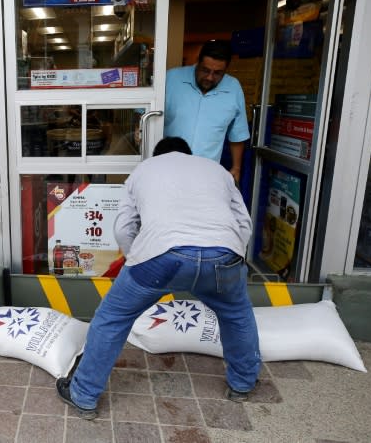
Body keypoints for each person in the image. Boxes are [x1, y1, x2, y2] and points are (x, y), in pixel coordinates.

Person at [55, 136, 260, 420]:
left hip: (160, 258)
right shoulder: (217, 170)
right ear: (189, 154)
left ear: (156, 155)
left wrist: (136, 260)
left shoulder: (144, 170)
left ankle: (84, 395)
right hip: (223, 255)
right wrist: (231, 254)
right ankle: (243, 385)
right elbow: (243, 223)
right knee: (237, 314)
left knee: (112, 318)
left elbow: (125, 228)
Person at [164, 40, 250, 183]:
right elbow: (146, 113)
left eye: (217, 73)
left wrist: (236, 167)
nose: (210, 77)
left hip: (206, 174)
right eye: (205, 70)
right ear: (198, 62)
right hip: (166, 168)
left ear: (226, 69)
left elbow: (237, 134)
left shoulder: (233, 88)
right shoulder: (171, 78)